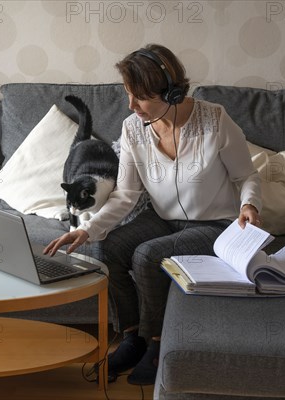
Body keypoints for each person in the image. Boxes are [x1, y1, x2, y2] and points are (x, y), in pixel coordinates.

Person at [44, 44, 262, 385]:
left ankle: (157, 344)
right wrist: (87, 229)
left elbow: (245, 175)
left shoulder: (215, 120)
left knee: (148, 255)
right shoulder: (133, 129)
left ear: (172, 93)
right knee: (107, 248)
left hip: (215, 225)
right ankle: (132, 337)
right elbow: (127, 194)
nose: (131, 106)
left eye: (141, 98)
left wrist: (249, 204)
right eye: (128, 95)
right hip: (163, 218)